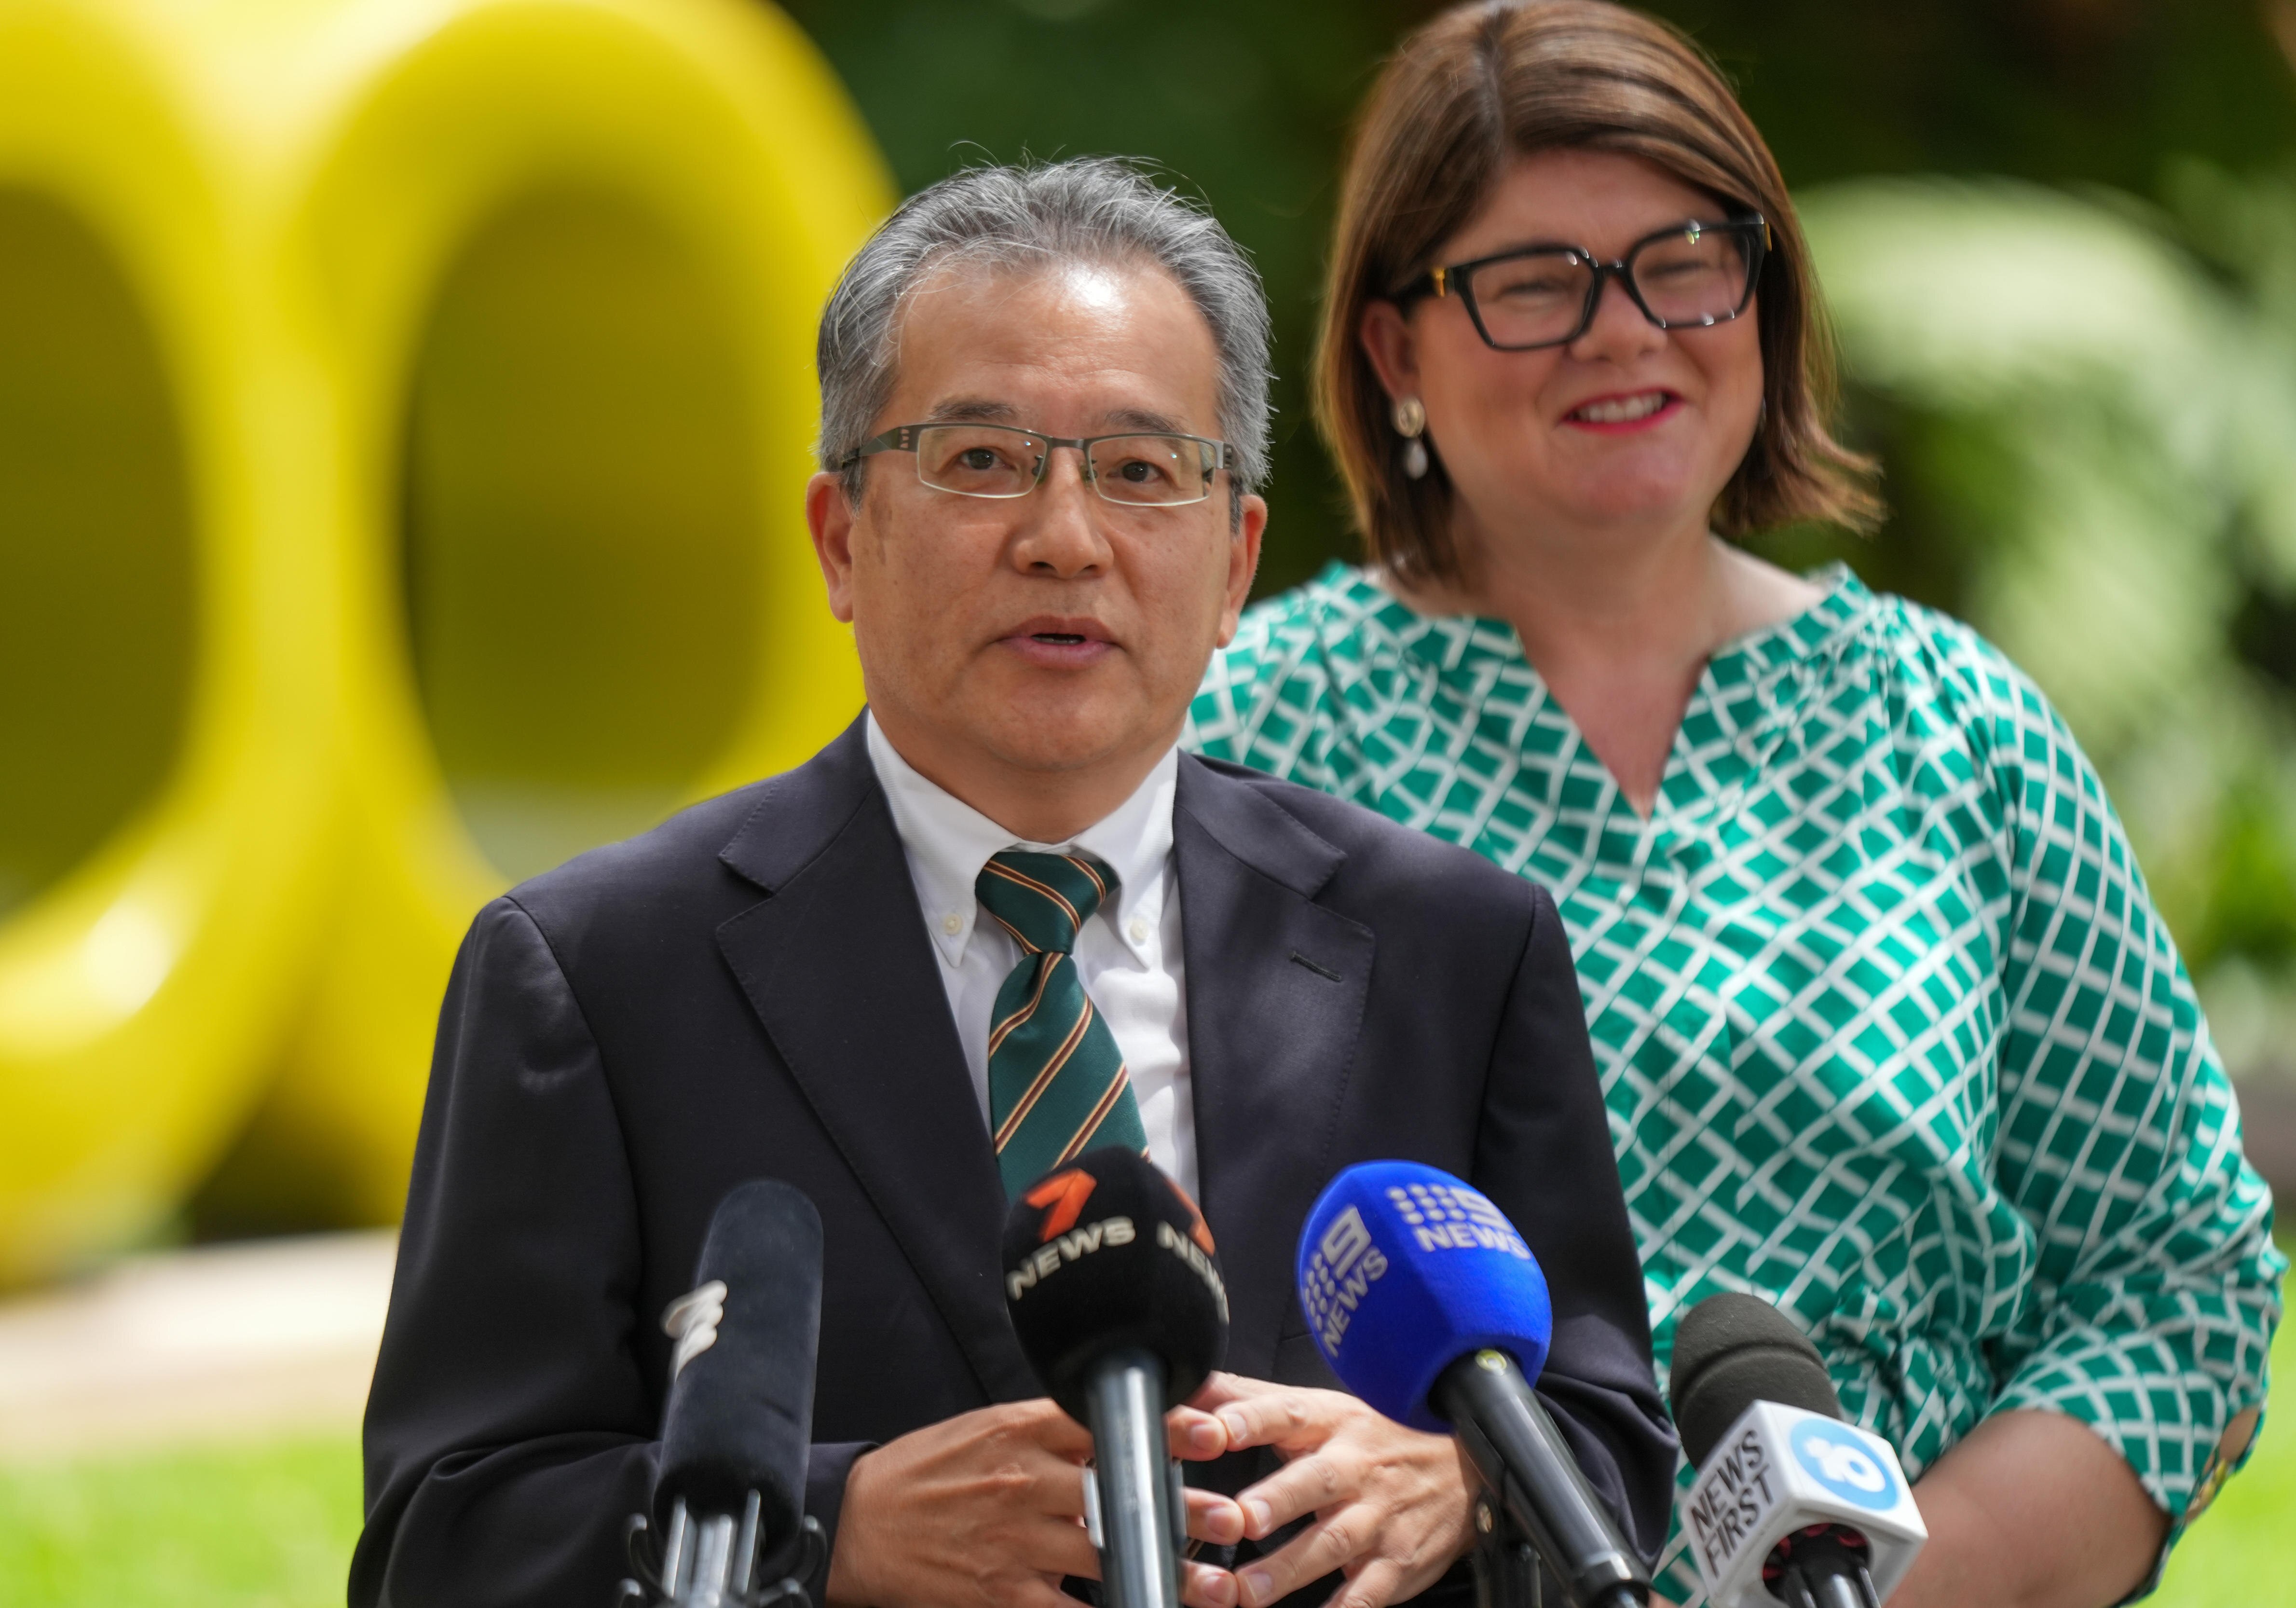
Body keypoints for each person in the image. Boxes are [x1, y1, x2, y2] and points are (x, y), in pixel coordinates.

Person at [354, 157, 1675, 1608]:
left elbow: (1613, 1441)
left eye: (1139, 471)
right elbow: (449, 1533)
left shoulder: (1453, 949)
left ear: (1236, 564)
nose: (1064, 537)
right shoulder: (596, 974)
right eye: (980, 462)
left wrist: (1460, 1482)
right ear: (842, 537)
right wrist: (831, 1525)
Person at [1187, 4, 2284, 1606]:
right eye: (1533, 282)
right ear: (1393, 350)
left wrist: (1880, 1578)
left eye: (1684, 258)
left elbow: (2174, 1276)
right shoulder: (1246, 740)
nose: (1622, 330)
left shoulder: (1950, 724)